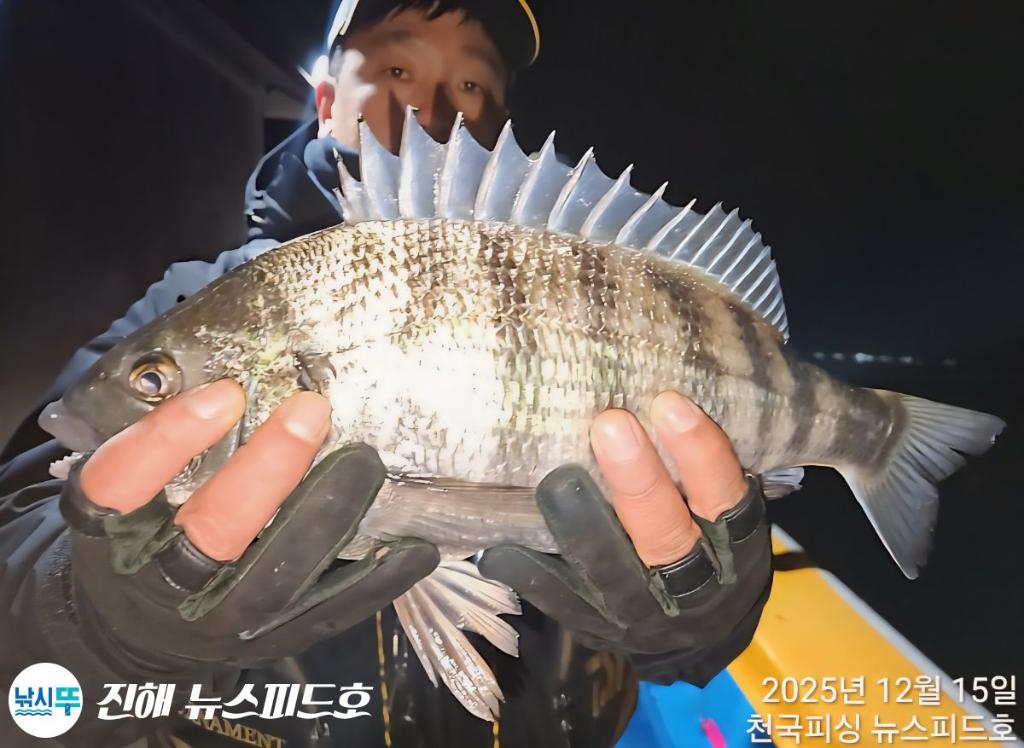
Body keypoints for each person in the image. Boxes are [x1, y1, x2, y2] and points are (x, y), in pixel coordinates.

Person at [0, 1, 773, 745]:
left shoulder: (583, 283)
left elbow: (688, 662)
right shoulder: (194, 306)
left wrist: (708, 618)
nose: (434, 107)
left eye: (472, 83)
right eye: (398, 68)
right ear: (325, 98)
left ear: (500, 122)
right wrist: (95, 618)